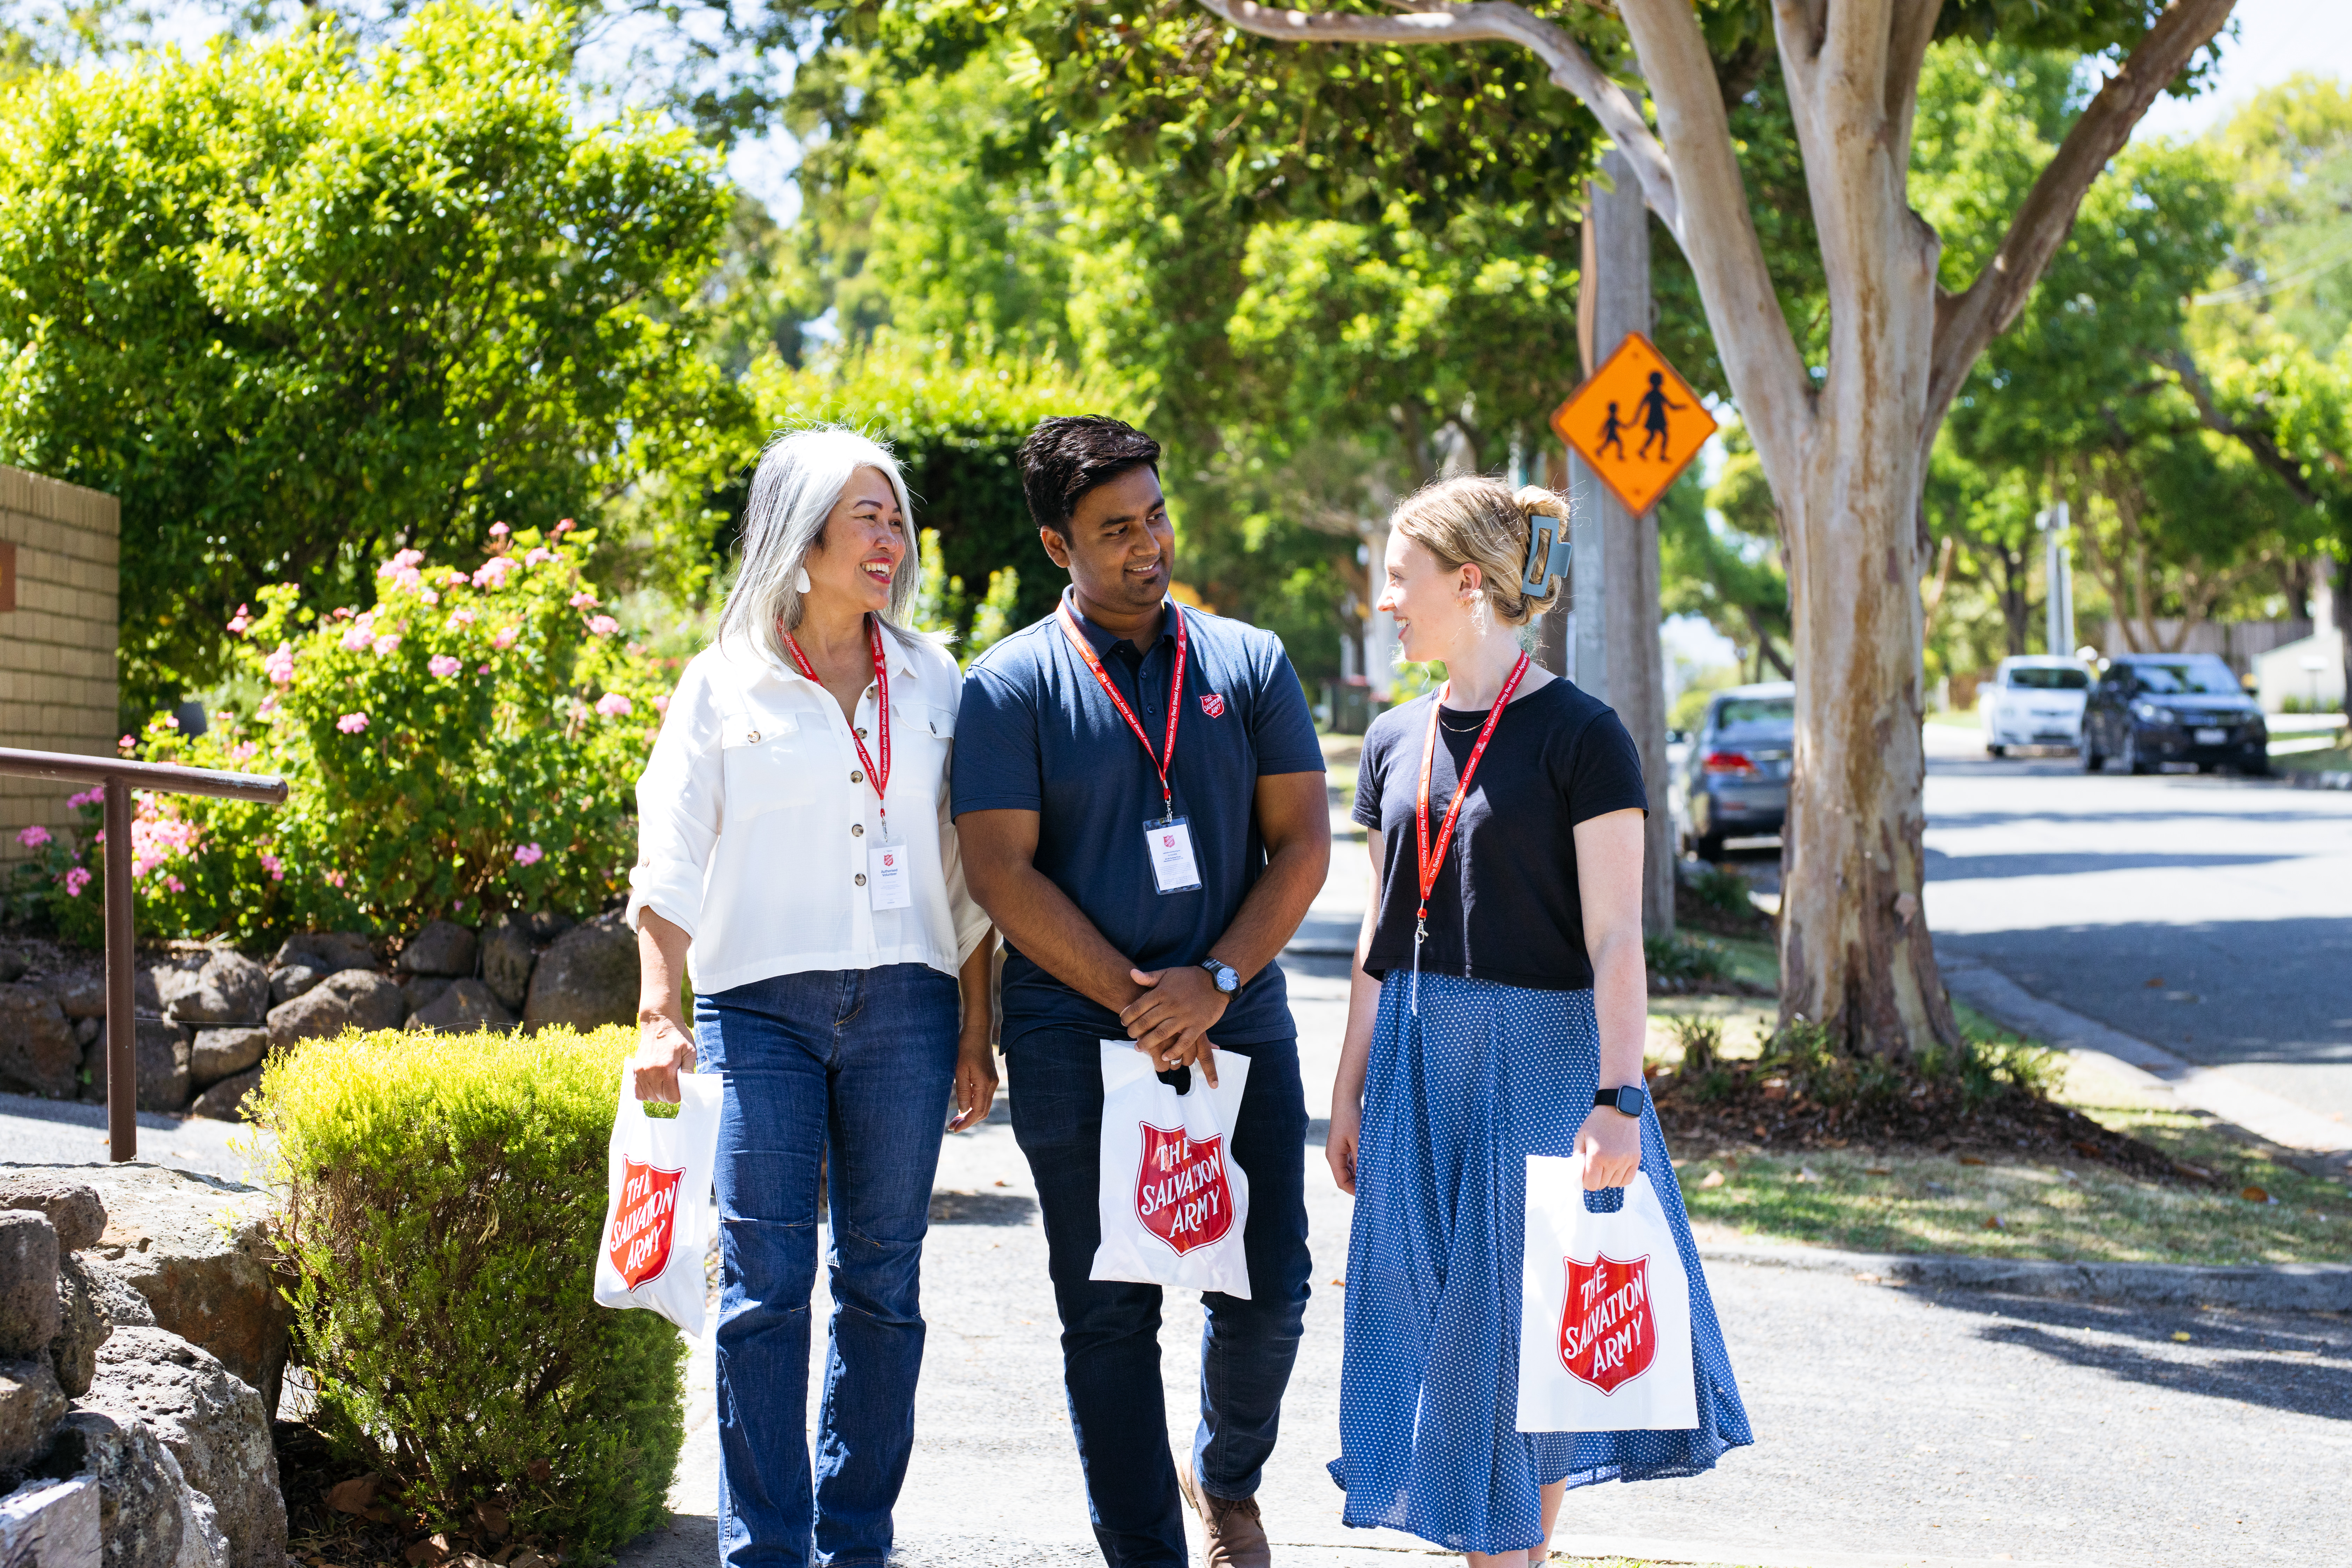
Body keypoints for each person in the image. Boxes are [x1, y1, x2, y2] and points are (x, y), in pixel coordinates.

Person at [1326, 477, 1751, 1567]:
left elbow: (1616, 939)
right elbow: (1381, 930)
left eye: (1401, 577)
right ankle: (1518, 1553)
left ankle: (1505, 1554)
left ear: (1469, 582)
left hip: (1542, 1066)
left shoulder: (1582, 735)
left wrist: (1621, 1098)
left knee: (1515, 1337)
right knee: (1426, 1327)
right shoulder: (1392, 738)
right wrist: (1348, 1088)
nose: (1386, 601)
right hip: (1417, 1061)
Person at [952, 416, 1331, 1568]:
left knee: (1271, 1283)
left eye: (1156, 516)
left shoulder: (1248, 662)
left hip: (1236, 1014)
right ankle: (1145, 1554)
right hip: (1074, 1030)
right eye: (1115, 529)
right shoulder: (1008, 686)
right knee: (1110, 1315)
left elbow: (1303, 845)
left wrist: (1212, 981)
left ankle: (1226, 1478)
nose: (1148, 544)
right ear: (1057, 545)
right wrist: (1139, 997)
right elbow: (999, 873)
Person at [624, 426, 1000, 1568]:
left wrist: (977, 1026)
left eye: (897, 520)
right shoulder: (723, 681)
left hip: (910, 1008)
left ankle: (857, 1544)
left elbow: (964, 869)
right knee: (766, 1286)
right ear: (802, 539)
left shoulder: (934, 678)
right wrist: (658, 1011)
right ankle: (767, 1551)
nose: (891, 541)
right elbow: (670, 851)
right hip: (760, 1010)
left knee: (883, 1284)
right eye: (866, 519)